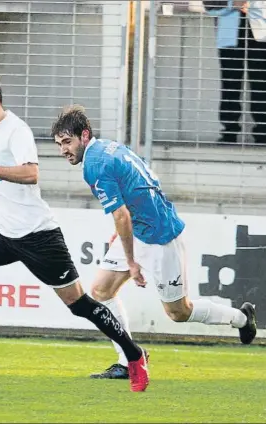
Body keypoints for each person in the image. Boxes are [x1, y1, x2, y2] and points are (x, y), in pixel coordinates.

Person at [0, 69, 149, 393]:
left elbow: (31, 174)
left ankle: (134, 355)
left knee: (79, 304)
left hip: (39, 236)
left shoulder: (16, 130)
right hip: (5, 233)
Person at [51, 105, 257, 377]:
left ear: (84, 135)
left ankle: (242, 318)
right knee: (100, 291)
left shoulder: (95, 164)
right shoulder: (109, 148)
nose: (63, 150)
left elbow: (121, 214)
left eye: (67, 142)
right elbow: (143, 184)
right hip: (141, 230)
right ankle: (129, 359)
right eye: (59, 144)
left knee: (178, 312)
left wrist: (132, 261)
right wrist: (128, 233)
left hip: (161, 237)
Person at [203, 1, 266, 144]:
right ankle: (229, 132)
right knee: (230, 84)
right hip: (229, 37)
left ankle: (262, 133)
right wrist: (232, 4)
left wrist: (252, 5)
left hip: (261, 36)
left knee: (261, 85)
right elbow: (209, 5)